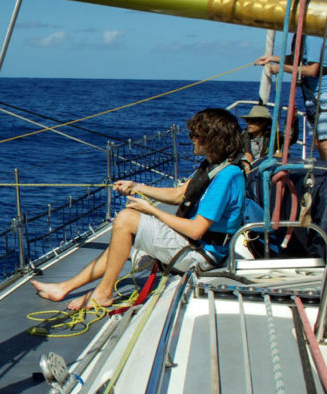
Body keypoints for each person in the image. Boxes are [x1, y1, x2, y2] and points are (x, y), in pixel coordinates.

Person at [31, 108, 246, 310]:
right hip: (193, 245)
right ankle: (63, 288)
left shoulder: (227, 176)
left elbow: (197, 230)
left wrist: (152, 210)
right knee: (120, 242)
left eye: (196, 135)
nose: (192, 139)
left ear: (213, 139)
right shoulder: (213, 167)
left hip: (201, 255)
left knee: (126, 219)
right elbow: (179, 194)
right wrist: (137, 187)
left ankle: (104, 293)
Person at [254, 37, 327, 159]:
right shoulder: (305, 36)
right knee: (318, 143)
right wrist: (272, 58)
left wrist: (281, 67)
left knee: (324, 143)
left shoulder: (312, 36)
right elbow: (298, 60)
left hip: (323, 98)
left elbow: (312, 70)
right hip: (313, 99)